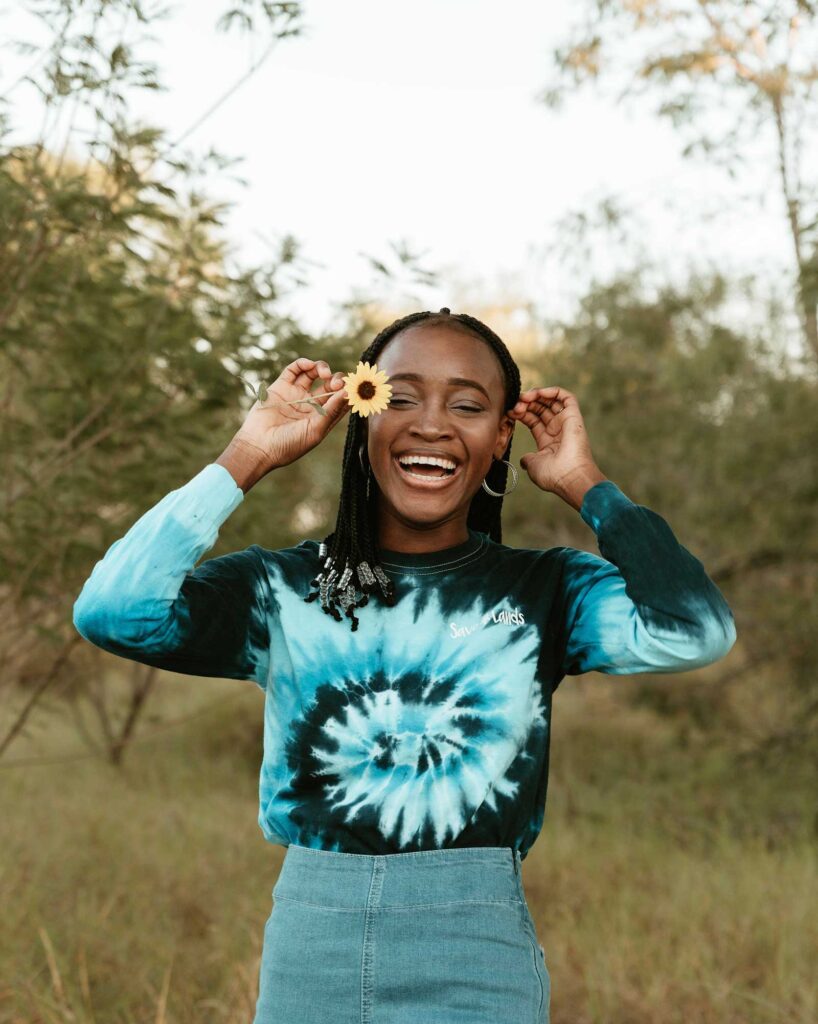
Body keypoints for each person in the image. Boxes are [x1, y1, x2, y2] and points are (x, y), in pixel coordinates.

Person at [72, 307, 738, 1024]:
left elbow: (695, 630)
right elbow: (114, 610)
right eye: (400, 396)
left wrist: (586, 483)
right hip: (311, 948)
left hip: (477, 954)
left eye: (468, 405)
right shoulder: (282, 589)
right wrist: (247, 456)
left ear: (499, 439)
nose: (432, 424)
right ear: (361, 421)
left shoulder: (547, 590)